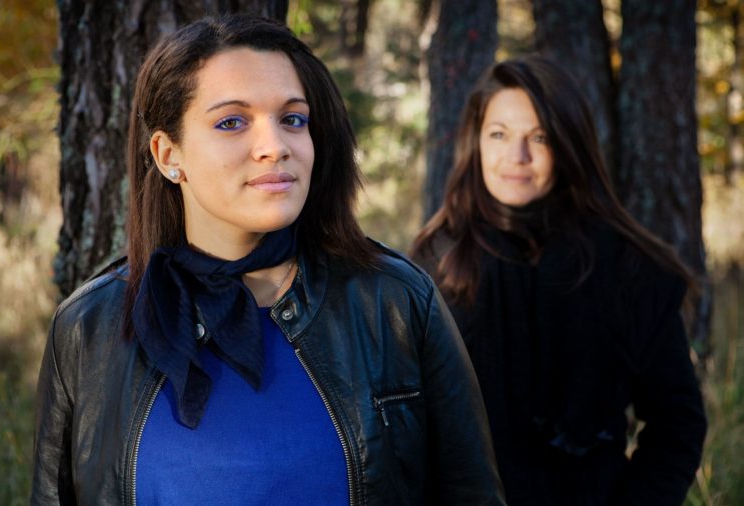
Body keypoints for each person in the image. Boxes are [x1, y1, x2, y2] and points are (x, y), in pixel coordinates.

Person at [31, 15, 505, 506]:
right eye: (231, 122)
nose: (275, 146)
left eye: (292, 119)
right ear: (169, 154)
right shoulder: (89, 329)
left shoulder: (396, 305)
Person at [412, 55, 706, 506]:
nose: (518, 157)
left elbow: (677, 422)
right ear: (476, 141)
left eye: (540, 137)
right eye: (499, 135)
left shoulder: (627, 267)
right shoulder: (436, 262)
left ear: (568, 145)